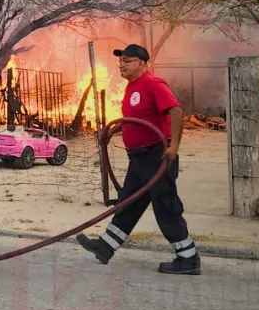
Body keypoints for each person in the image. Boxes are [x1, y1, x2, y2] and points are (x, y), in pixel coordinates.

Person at [76, 44, 200, 275]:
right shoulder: (132, 87)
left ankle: (188, 257)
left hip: (156, 155)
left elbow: (175, 111)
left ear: (142, 64)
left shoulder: (153, 83)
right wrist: (115, 129)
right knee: (128, 203)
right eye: (120, 61)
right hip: (139, 158)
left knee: (165, 206)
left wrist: (173, 146)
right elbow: (138, 117)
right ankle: (106, 246)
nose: (121, 65)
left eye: (127, 60)